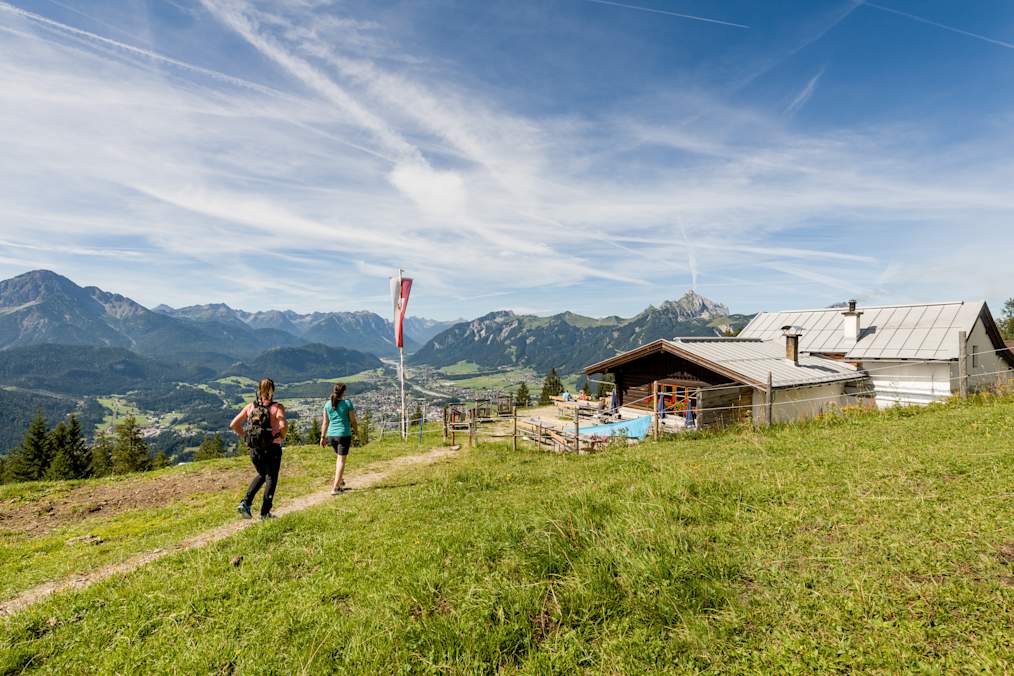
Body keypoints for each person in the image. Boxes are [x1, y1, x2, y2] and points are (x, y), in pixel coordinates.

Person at [230, 378, 287, 520]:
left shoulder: (251, 407)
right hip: (272, 448)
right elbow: (283, 425)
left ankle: (245, 502)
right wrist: (281, 435)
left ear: (259, 390)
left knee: (262, 474)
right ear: (273, 390)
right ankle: (265, 513)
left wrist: (245, 438)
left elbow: (234, 424)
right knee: (271, 478)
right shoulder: (277, 407)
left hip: (255, 449)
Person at [319, 382, 358, 495]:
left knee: (338, 459)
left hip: (331, 436)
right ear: (344, 391)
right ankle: (335, 488)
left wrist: (322, 437)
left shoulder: (327, 404)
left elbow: (325, 422)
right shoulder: (347, 403)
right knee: (341, 461)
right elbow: (353, 421)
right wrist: (356, 432)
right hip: (343, 435)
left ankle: (340, 482)